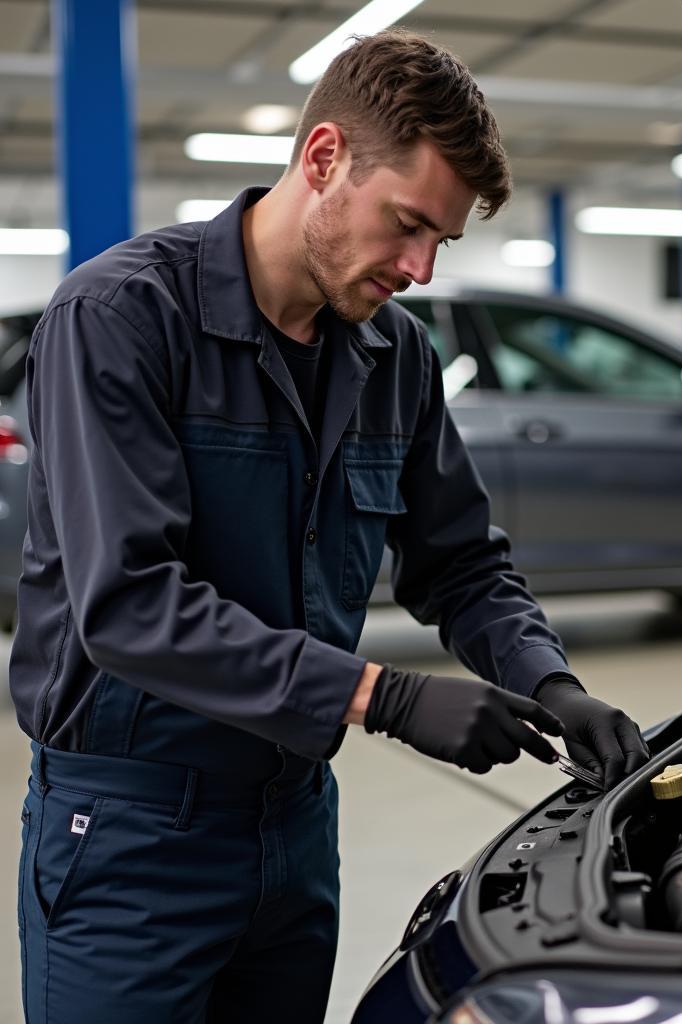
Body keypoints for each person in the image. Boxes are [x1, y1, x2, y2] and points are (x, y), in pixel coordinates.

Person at [11, 31, 649, 1023]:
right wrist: (380, 694)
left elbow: (464, 565)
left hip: (296, 827)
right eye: (407, 224)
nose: (421, 266)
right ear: (323, 161)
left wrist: (549, 682)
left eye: (442, 239)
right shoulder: (120, 319)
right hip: (131, 836)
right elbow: (128, 605)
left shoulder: (395, 357)